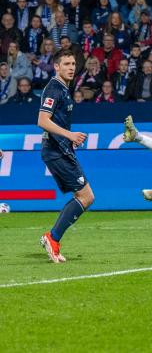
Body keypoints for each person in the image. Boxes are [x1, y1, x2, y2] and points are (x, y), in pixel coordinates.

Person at [38, 49, 94, 263]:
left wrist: (68, 140)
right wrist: (69, 135)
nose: (71, 67)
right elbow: (42, 120)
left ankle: (52, 237)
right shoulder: (54, 88)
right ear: (57, 66)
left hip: (61, 149)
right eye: (67, 64)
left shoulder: (64, 88)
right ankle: (52, 238)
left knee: (85, 197)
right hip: (55, 151)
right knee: (86, 196)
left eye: (73, 63)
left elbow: (55, 123)